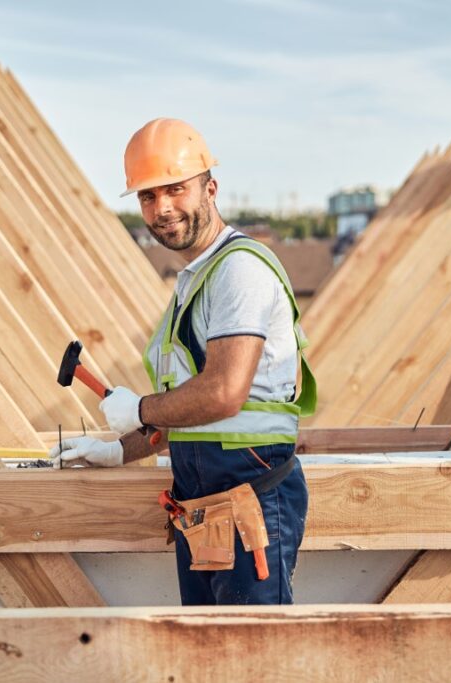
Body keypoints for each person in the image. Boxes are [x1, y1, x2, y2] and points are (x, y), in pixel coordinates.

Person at [50, 118, 316, 605]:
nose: (162, 208)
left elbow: (223, 393)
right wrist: (121, 449)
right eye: (148, 197)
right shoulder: (196, 281)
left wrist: (142, 410)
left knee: (252, 662)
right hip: (204, 508)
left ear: (210, 189)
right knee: (207, 658)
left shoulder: (239, 270)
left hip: (249, 500)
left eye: (175, 189)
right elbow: (194, 415)